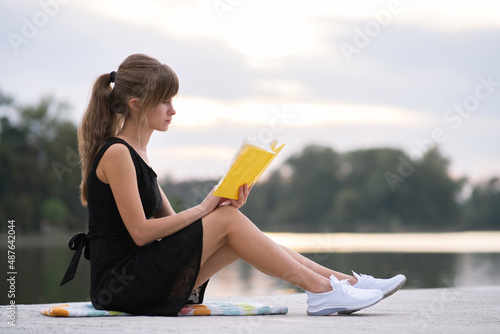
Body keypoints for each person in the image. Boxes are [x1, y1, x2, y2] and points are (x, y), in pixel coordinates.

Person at [60, 53, 406, 316]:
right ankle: (322, 290)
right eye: (165, 101)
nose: (173, 110)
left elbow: (174, 230)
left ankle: (343, 284)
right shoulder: (117, 153)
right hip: (121, 286)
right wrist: (206, 208)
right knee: (224, 220)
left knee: (230, 222)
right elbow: (141, 232)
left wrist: (223, 205)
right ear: (136, 105)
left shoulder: (139, 153)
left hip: (143, 276)